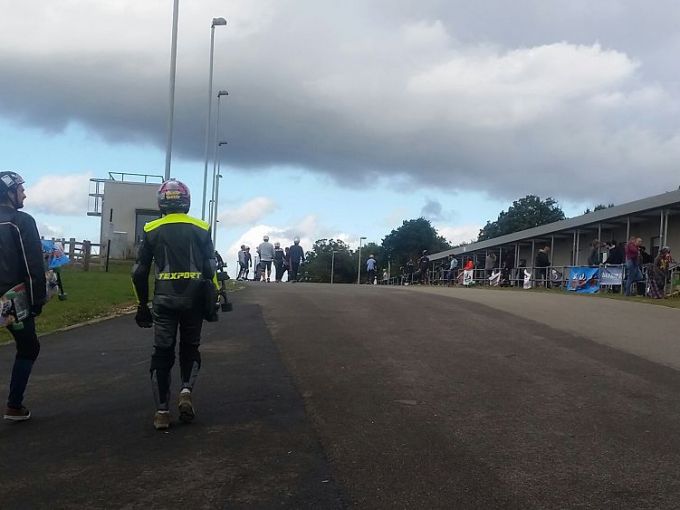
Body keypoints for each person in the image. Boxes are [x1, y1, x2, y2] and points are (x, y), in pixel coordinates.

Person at [132, 179, 218, 430]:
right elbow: (210, 267)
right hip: (194, 298)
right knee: (190, 347)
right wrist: (212, 302)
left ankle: (161, 412)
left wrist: (141, 305)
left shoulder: (151, 228)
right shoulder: (202, 227)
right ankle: (185, 391)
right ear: (186, 201)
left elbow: (138, 272)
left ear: (161, 202)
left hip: (164, 298)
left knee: (162, 351)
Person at [0, 171, 47, 421]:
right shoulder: (21, 221)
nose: (24, 194)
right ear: (10, 192)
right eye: (20, 189)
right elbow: (32, 267)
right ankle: (14, 405)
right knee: (29, 346)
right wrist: (36, 300)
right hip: (12, 300)